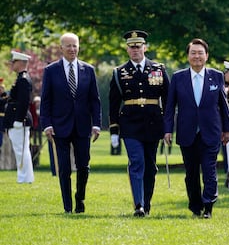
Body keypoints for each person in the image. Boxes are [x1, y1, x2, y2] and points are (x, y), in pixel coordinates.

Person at [164, 38, 229, 219]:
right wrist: (167, 129)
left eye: (200, 53)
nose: (197, 56)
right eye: (193, 53)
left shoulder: (216, 76)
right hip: (187, 132)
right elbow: (170, 106)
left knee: (209, 170)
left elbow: (223, 105)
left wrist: (227, 129)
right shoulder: (178, 78)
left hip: (211, 131)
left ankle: (208, 205)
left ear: (207, 56)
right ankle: (195, 205)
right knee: (191, 173)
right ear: (187, 56)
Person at [109, 30, 169, 217]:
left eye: (138, 46)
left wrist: (168, 127)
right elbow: (113, 103)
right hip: (130, 124)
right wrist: (113, 130)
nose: (135, 50)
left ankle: (147, 203)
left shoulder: (158, 69)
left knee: (150, 167)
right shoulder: (119, 72)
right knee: (137, 162)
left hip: (153, 123)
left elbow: (167, 99)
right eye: (131, 47)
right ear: (127, 49)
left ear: (145, 47)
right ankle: (138, 205)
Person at [40, 32, 102, 214]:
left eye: (75, 45)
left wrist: (96, 124)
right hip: (60, 127)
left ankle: (79, 199)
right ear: (61, 48)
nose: (72, 49)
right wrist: (47, 124)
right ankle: (67, 206)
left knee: (84, 166)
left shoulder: (88, 70)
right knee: (65, 168)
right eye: (68, 46)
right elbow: (46, 100)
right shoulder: (50, 71)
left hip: (83, 127)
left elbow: (95, 100)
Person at [4, 51, 34, 183]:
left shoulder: (23, 79)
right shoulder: (21, 78)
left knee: (21, 150)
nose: (12, 64)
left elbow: (23, 102)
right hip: (16, 119)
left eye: (14, 62)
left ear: (20, 63)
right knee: (20, 150)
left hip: (19, 120)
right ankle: (24, 177)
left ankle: (24, 178)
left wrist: (18, 120)